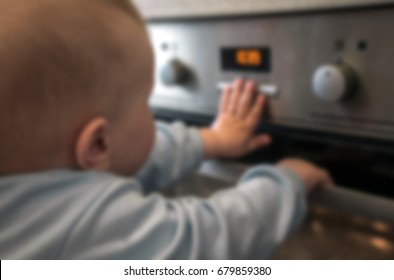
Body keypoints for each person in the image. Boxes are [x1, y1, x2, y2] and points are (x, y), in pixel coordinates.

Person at [0, 0, 332, 259]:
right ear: (97, 143)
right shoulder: (83, 230)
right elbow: (208, 241)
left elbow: (125, 155)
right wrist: (287, 182)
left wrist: (211, 140)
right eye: (147, 103)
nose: (151, 114)